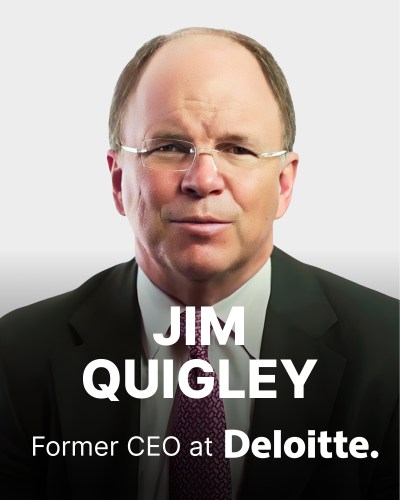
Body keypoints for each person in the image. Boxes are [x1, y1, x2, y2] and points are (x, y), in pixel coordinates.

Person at [0, 27, 398, 500]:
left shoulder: (389, 355)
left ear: (285, 184)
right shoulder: (15, 360)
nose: (203, 179)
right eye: (169, 146)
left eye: (237, 149)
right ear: (117, 180)